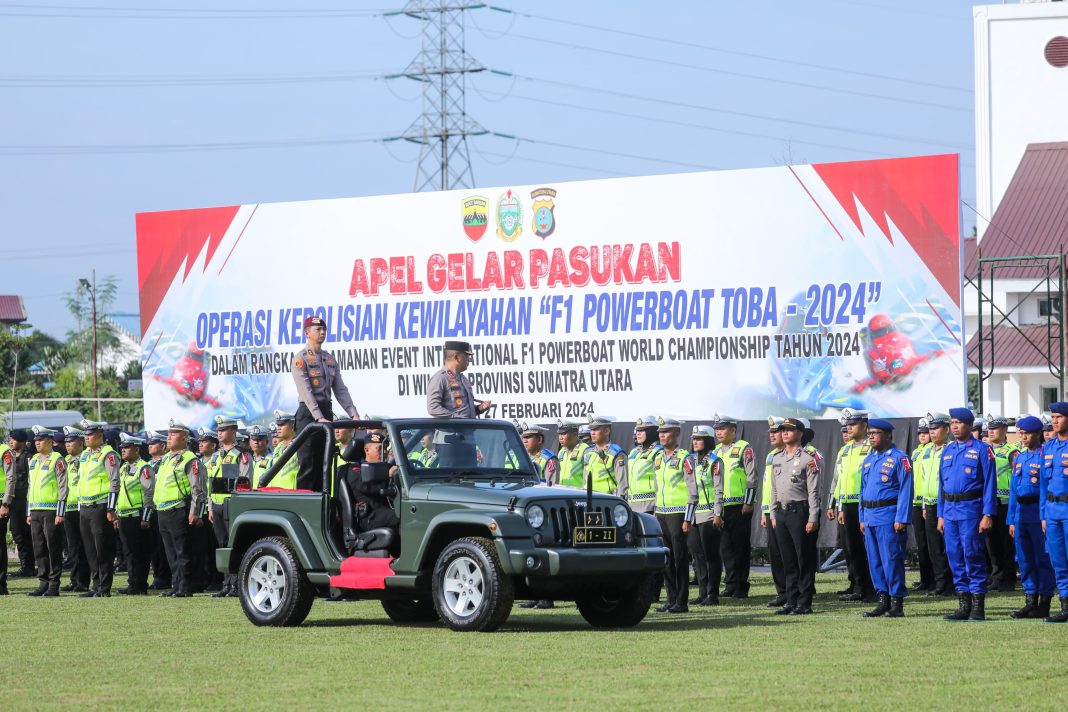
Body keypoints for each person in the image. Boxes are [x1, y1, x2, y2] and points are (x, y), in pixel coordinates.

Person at [938, 408, 997, 621]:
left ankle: (977, 607)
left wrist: (988, 514)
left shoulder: (982, 449)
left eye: (959, 422)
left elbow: (990, 483)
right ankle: (963, 605)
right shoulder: (947, 451)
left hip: (971, 510)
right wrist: (940, 515)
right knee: (954, 557)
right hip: (950, 511)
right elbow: (941, 486)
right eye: (952, 422)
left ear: (970, 425)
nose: (954, 426)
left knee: (973, 555)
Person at [292, 315, 362, 491]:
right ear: (307, 333)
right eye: (318, 329)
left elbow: (340, 389)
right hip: (308, 414)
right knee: (308, 463)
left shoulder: (329, 359)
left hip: (326, 410)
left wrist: (353, 413)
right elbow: (306, 392)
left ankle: (325, 505)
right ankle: (306, 506)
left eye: (324, 329)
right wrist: (318, 417)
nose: (322, 332)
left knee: (325, 463)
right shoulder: (300, 359)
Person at [858, 419, 913, 618]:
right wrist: (862, 517)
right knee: (875, 561)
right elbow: (862, 491)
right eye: (870, 433)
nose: (871, 436)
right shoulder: (869, 460)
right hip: (870, 516)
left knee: (892, 559)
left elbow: (906, 490)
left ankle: (896, 603)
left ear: (888, 435)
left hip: (889, 515)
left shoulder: (900, 458)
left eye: (876, 433)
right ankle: (882, 600)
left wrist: (902, 517)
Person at [145, 420, 205, 598]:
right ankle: (176, 585)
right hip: (163, 510)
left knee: (182, 550)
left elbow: (198, 489)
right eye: (169, 433)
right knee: (170, 552)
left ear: (185, 437)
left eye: (174, 433)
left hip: (178, 509)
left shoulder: (190, 459)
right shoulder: (166, 459)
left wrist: (195, 512)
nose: (169, 437)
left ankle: (185, 586)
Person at [769, 417, 821, 615]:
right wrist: (773, 513)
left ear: (800, 433)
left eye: (789, 430)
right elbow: (774, 489)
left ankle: (804, 602)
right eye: (783, 430)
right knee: (788, 560)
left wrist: (813, 517)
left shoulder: (808, 458)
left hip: (800, 512)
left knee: (804, 559)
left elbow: (814, 491)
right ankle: (791, 600)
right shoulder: (777, 458)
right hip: (782, 513)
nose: (784, 433)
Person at [1007, 415, 1054, 619]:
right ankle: (1030, 600)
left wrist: (1045, 515)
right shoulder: (1020, 457)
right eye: (1021, 433)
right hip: (1021, 513)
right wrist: (1011, 520)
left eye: (1027, 433)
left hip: (1038, 510)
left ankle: (1044, 601)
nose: (1023, 437)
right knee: (1024, 558)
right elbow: (1013, 492)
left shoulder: (1045, 455)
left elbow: (1046, 488)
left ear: (1038, 434)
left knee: (1042, 558)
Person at [826, 409, 875, 603]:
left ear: (864, 425)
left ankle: (868, 587)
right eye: (847, 425)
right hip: (845, 505)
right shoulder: (845, 450)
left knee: (865, 548)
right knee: (850, 548)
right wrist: (835, 505)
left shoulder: (871, 447)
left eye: (853, 424)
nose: (849, 428)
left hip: (863, 504)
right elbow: (836, 480)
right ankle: (856, 584)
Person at [709, 413, 756, 599]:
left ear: (733, 430)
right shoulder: (716, 451)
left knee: (740, 547)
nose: (719, 432)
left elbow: (752, 476)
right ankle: (730, 583)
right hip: (721, 506)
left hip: (739, 505)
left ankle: (741, 586)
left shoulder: (744, 448)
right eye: (717, 429)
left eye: (722, 428)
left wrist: (749, 501)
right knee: (725, 547)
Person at [653, 417, 695, 613]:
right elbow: (657, 486)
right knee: (667, 558)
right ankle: (670, 599)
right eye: (661, 432)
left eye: (667, 432)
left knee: (679, 558)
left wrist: (688, 517)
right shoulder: (658, 457)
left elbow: (692, 489)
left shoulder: (685, 457)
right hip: (661, 512)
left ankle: (682, 601)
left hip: (678, 513)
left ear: (677, 433)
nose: (662, 435)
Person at [75, 419, 120, 598]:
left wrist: (111, 508)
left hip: (100, 506)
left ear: (100, 435)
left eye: (90, 434)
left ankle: (104, 587)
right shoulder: (85, 454)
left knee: (102, 548)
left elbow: (114, 481)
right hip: (85, 506)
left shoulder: (108, 454)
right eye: (85, 434)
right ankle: (95, 585)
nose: (86, 437)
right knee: (90, 549)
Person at [206, 416, 250, 597]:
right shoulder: (216, 456)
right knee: (222, 545)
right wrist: (209, 506)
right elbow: (211, 483)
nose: (219, 433)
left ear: (233, 432)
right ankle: (226, 584)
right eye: (218, 430)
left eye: (223, 430)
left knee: (234, 545)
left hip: (232, 504)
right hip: (216, 505)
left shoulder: (240, 454)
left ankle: (237, 584)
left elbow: (245, 482)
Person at [25, 426, 68, 597]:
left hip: (51, 510)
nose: (37, 443)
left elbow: (63, 486)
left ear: (50, 441)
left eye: (40, 440)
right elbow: (31, 486)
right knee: (39, 548)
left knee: (53, 547)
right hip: (35, 510)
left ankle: (54, 584)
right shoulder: (34, 459)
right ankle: (43, 582)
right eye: (36, 440)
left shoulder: (58, 459)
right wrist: (29, 511)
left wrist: (60, 512)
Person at [686, 425, 722, 606]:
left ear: (707, 441)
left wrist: (717, 514)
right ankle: (702, 592)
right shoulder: (690, 460)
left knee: (711, 556)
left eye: (699, 439)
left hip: (709, 514)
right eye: (694, 439)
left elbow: (718, 490)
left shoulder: (715, 461)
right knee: (696, 555)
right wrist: (687, 518)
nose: (695, 442)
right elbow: (690, 491)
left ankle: (713, 594)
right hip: (693, 515)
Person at [917, 413, 953, 596]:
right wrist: (924, 505)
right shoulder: (926, 451)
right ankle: (940, 583)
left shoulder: (951, 449)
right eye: (930, 428)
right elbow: (924, 479)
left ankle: (951, 582)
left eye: (935, 428)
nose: (931, 432)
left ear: (946, 430)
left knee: (949, 545)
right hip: (929, 504)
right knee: (934, 546)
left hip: (947, 504)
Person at [985, 414, 1019, 591]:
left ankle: (1009, 578)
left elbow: (1017, 478)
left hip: (1006, 503)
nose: (991, 431)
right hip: (989, 503)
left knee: (1006, 543)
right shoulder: (985, 450)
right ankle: (996, 577)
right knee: (992, 543)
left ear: (1005, 430)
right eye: (989, 428)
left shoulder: (1012, 451)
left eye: (995, 428)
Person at [1041, 401, 1068, 623]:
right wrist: (1043, 514)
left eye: (1059, 416)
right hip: (1052, 511)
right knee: (1057, 560)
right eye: (1053, 417)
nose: (1055, 421)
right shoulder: (1048, 448)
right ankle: (1065, 606)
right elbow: (1043, 485)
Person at [115, 433, 151, 596]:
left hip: (137, 516)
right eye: (122, 448)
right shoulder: (123, 468)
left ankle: (141, 585)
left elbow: (149, 493)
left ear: (136, 449)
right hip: (124, 515)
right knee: (128, 552)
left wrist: (146, 517)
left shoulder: (144, 468)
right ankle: (132, 583)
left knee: (139, 552)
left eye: (126, 447)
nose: (123, 450)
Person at [58, 426, 89, 592]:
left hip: (81, 507)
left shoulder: (86, 458)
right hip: (69, 508)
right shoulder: (66, 461)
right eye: (66, 442)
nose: (68, 445)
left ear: (81, 442)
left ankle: (83, 581)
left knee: (83, 546)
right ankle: (75, 580)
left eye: (72, 441)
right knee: (72, 547)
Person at [760, 417, 787, 607]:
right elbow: (766, 484)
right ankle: (782, 592)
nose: (772, 435)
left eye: (776, 431)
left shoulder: (795, 454)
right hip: (770, 510)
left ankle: (797, 591)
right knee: (775, 553)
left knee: (789, 553)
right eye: (770, 432)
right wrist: (764, 511)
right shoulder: (771, 455)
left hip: (786, 509)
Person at [426, 340, 490, 420]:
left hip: (468, 430)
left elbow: (462, 410)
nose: (469, 360)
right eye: (466, 356)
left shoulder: (463, 378)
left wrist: (479, 409)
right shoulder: (440, 378)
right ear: (456, 357)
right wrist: (456, 419)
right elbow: (433, 408)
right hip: (450, 432)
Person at [1, 429, 35, 578]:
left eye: (14, 439)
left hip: (22, 500)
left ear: (22, 442)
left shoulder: (28, 457)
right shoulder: (11, 455)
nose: (11, 441)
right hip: (11, 501)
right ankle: (24, 565)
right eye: (10, 439)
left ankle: (29, 566)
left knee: (24, 534)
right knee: (16, 533)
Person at [142, 430, 171, 591]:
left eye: (153, 444)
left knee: (163, 546)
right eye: (149, 444)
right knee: (154, 547)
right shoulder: (149, 464)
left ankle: (164, 576)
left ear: (163, 446)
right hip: (151, 509)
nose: (150, 446)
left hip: (163, 508)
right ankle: (159, 575)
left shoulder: (165, 462)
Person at [909, 420, 934, 593]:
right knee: (921, 544)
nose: (923, 435)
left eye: (926, 432)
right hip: (916, 502)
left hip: (928, 502)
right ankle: (925, 579)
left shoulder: (934, 450)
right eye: (920, 432)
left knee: (933, 544)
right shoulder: (916, 452)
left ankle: (936, 579)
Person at [619, 417, 661, 514]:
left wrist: (657, 508)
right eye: (637, 430)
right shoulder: (634, 451)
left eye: (642, 430)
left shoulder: (658, 452)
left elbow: (660, 483)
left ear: (651, 432)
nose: (638, 433)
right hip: (631, 506)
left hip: (649, 506)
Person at [583, 416, 626, 495]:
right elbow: (584, 480)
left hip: (606, 500)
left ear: (606, 431)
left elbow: (622, 484)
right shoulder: (587, 452)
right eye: (591, 429)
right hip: (588, 499)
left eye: (596, 429)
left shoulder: (616, 453)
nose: (592, 433)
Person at [260, 412, 300, 489]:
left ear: (292, 425)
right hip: (276, 492)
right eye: (278, 425)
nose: (278, 428)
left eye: (282, 425)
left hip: (293, 493)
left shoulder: (299, 444)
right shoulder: (278, 447)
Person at [555, 420, 590, 489]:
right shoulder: (561, 451)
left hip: (578, 495)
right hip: (562, 494)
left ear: (574, 434)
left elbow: (589, 477)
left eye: (564, 434)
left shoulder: (585, 450)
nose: (560, 438)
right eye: (559, 434)